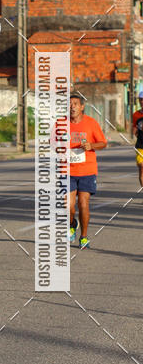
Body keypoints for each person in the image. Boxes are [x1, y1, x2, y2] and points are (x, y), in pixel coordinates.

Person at [69, 94, 107, 248]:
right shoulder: (60, 124)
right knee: (68, 206)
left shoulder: (91, 123)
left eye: (75, 104)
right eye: (70, 104)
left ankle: (83, 237)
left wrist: (91, 146)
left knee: (83, 204)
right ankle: (72, 224)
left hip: (87, 170)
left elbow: (103, 143)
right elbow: (52, 143)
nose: (72, 106)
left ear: (82, 107)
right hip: (67, 170)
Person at [132, 89, 143, 188]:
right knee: (141, 167)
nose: (142, 102)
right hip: (140, 146)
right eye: (140, 100)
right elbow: (135, 127)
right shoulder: (136, 115)